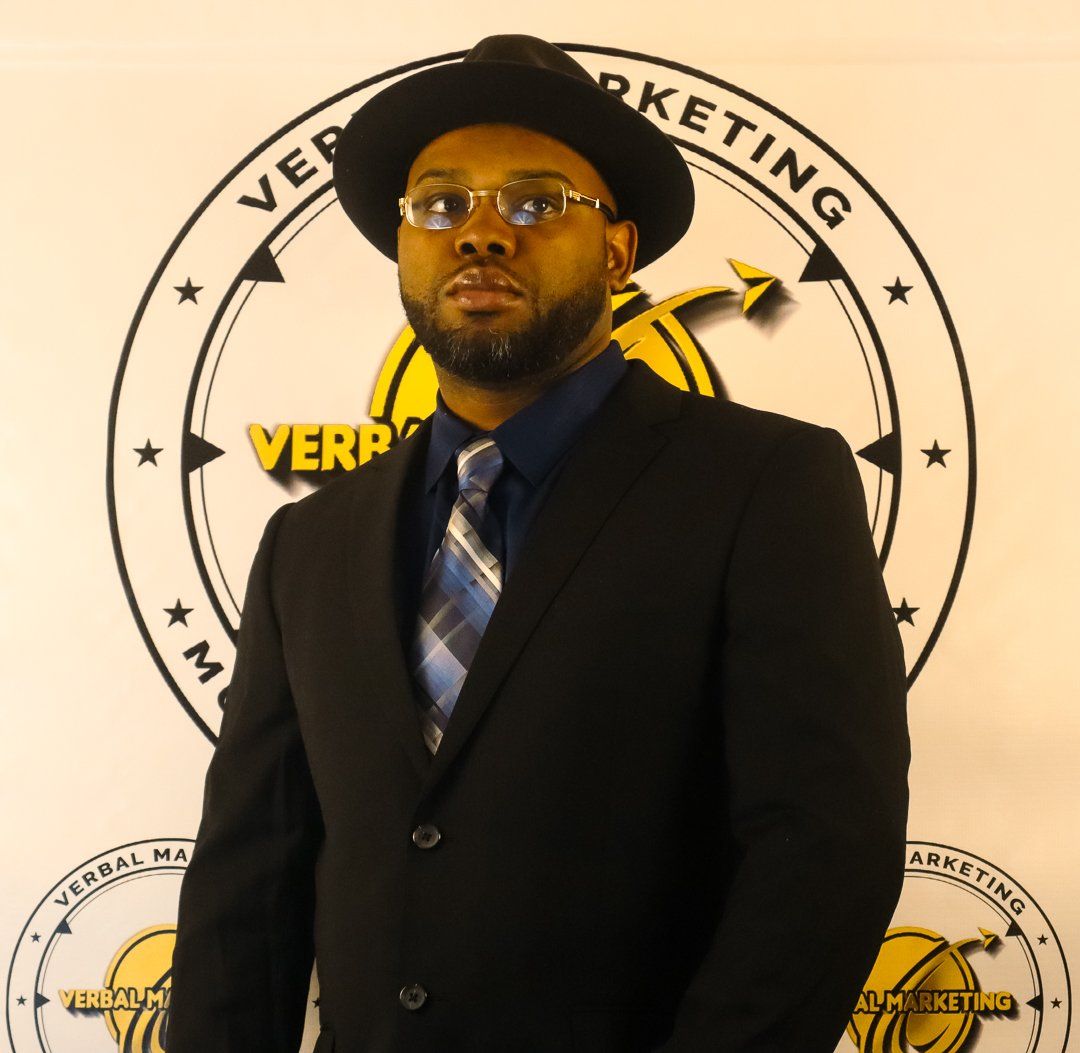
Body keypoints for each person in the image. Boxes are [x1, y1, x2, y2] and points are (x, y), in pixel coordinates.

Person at [167, 33, 910, 1053]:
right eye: (440, 204)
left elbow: (824, 848)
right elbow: (249, 879)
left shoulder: (766, 486)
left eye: (534, 201)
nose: (480, 233)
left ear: (617, 251)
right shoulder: (309, 541)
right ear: (404, 246)